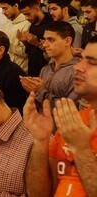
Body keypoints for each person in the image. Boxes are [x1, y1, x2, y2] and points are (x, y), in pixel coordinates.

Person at [24, 37, 97, 196]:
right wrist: (40, 141)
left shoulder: (74, 131)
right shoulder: (73, 123)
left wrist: (82, 149)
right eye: (82, 59)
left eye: (92, 62)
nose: (78, 67)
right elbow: (39, 194)